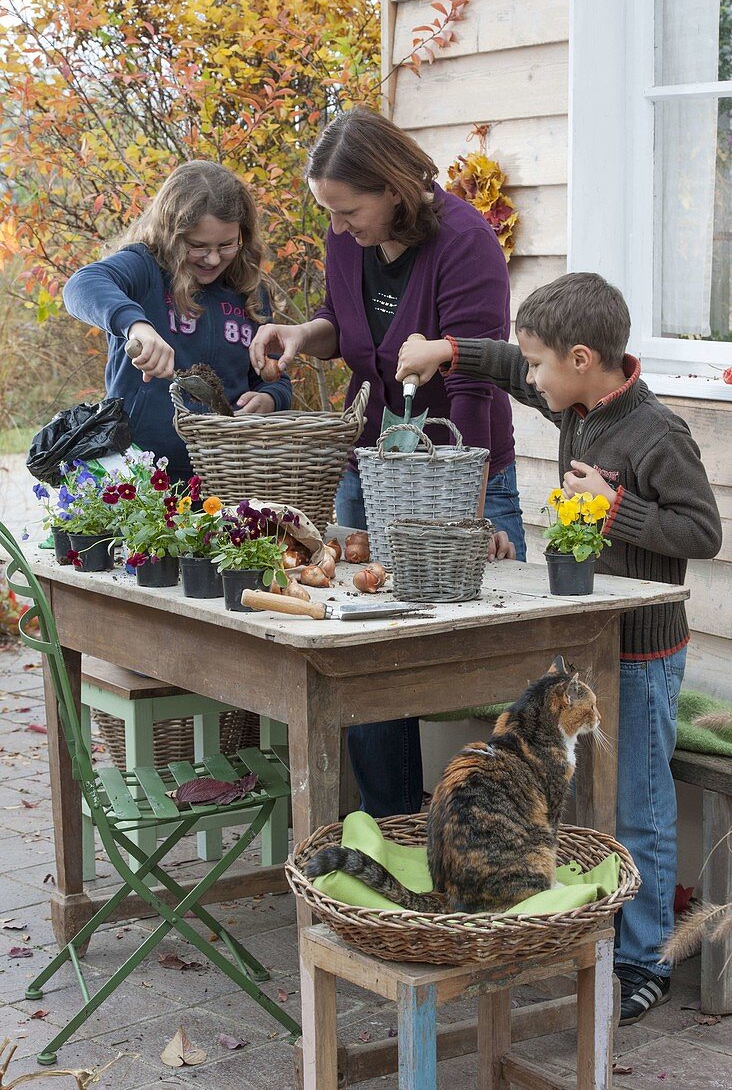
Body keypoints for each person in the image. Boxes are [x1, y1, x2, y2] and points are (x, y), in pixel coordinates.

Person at [396, 271, 723, 1026]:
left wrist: (617, 510)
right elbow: (510, 365)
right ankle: (595, 928)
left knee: (638, 805)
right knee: (583, 801)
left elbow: (703, 532)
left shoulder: (657, 434)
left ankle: (646, 962)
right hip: (581, 648)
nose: (528, 375)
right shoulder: (575, 395)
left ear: (581, 359)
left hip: (640, 655)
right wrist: (447, 351)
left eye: (539, 363)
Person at [250, 105, 525, 818]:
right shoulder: (348, 238)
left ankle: (487, 841)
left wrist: (464, 519)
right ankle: (391, 830)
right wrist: (300, 333)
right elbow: (348, 330)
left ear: (394, 187)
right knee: (362, 666)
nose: (338, 228)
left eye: (348, 211)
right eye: (329, 214)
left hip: (464, 476)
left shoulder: (467, 244)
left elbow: (472, 383)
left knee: (482, 664)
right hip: (369, 469)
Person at [63, 160, 292, 487]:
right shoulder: (145, 268)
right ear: (171, 234)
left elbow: (274, 377)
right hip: (142, 476)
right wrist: (135, 325)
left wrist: (270, 398)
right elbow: (81, 285)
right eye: (197, 246)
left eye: (226, 245)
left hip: (227, 475)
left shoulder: (250, 292)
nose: (213, 259)